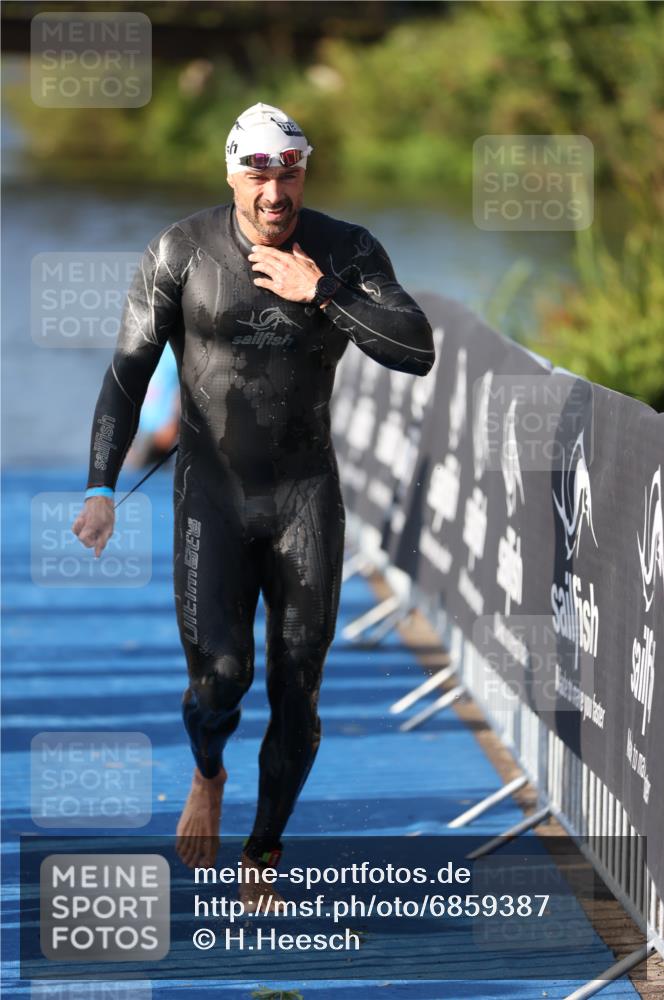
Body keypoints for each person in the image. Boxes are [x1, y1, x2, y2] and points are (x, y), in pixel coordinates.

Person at [72, 102, 435, 910]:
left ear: (306, 169)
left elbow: (415, 349)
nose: (276, 191)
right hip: (211, 497)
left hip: (306, 495)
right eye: (259, 172)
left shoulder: (345, 249)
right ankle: (208, 772)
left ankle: (264, 844)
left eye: (291, 171)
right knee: (220, 681)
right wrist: (101, 487)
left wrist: (323, 290)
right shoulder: (179, 250)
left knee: (296, 688)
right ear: (233, 173)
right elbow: (128, 371)